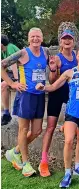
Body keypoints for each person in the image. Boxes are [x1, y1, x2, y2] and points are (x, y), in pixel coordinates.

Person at [36, 48, 79, 188]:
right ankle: (67, 172)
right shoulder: (70, 72)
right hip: (72, 113)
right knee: (68, 141)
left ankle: (77, 167)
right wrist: (43, 88)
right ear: (77, 58)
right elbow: (54, 86)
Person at [2, 28, 56, 177]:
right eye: (32, 37)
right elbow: (2, 65)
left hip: (39, 95)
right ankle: (25, 163)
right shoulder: (23, 53)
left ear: (42, 37)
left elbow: (49, 70)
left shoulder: (45, 52)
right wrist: (12, 84)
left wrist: (52, 70)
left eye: (38, 36)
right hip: (25, 95)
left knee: (37, 130)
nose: (35, 39)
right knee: (23, 129)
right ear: (28, 38)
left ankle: (15, 151)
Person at [38, 29, 78, 177]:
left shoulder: (76, 56)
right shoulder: (58, 58)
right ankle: (43, 161)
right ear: (60, 42)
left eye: (70, 39)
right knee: (50, 127)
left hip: (70, 96)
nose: (67, 41)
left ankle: (64, 129)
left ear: (73, 41)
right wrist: (54, 69)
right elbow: (52, 81)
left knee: (74, 124)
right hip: (56, 94)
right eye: (64, 39)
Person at [1, 34, 19, 125]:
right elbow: (2, 66)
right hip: (11, 73)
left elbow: (14, 64)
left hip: (21, 72)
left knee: (3, 85)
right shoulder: (2, 51)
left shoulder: (10, 47)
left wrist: (15, 81)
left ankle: (7, 113)